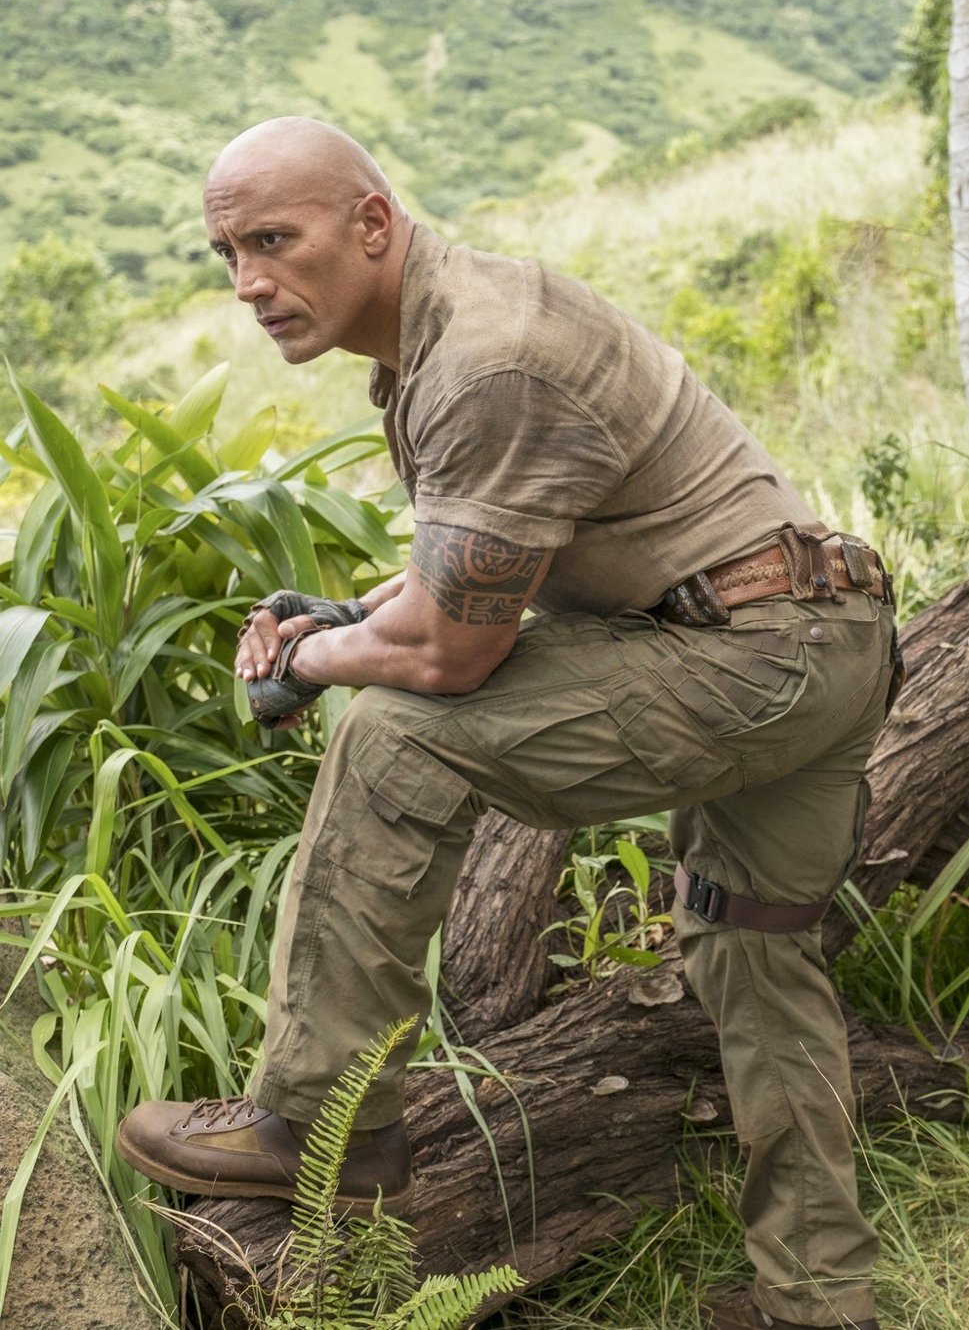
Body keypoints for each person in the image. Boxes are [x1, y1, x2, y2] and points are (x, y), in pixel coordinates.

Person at [112, 117, 895, 1330]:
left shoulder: (483, 359)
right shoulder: (453, 325)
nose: (248, 284)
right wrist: (345, 610)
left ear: (370, 223)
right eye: (225, 253)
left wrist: (312, 659)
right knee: (751, 947)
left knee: (394, 734)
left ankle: (322, 1125)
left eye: (273, 240)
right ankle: (822, 1293)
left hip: (751, 662)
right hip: (818, 634)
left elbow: (446, 648)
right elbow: (480, 564)